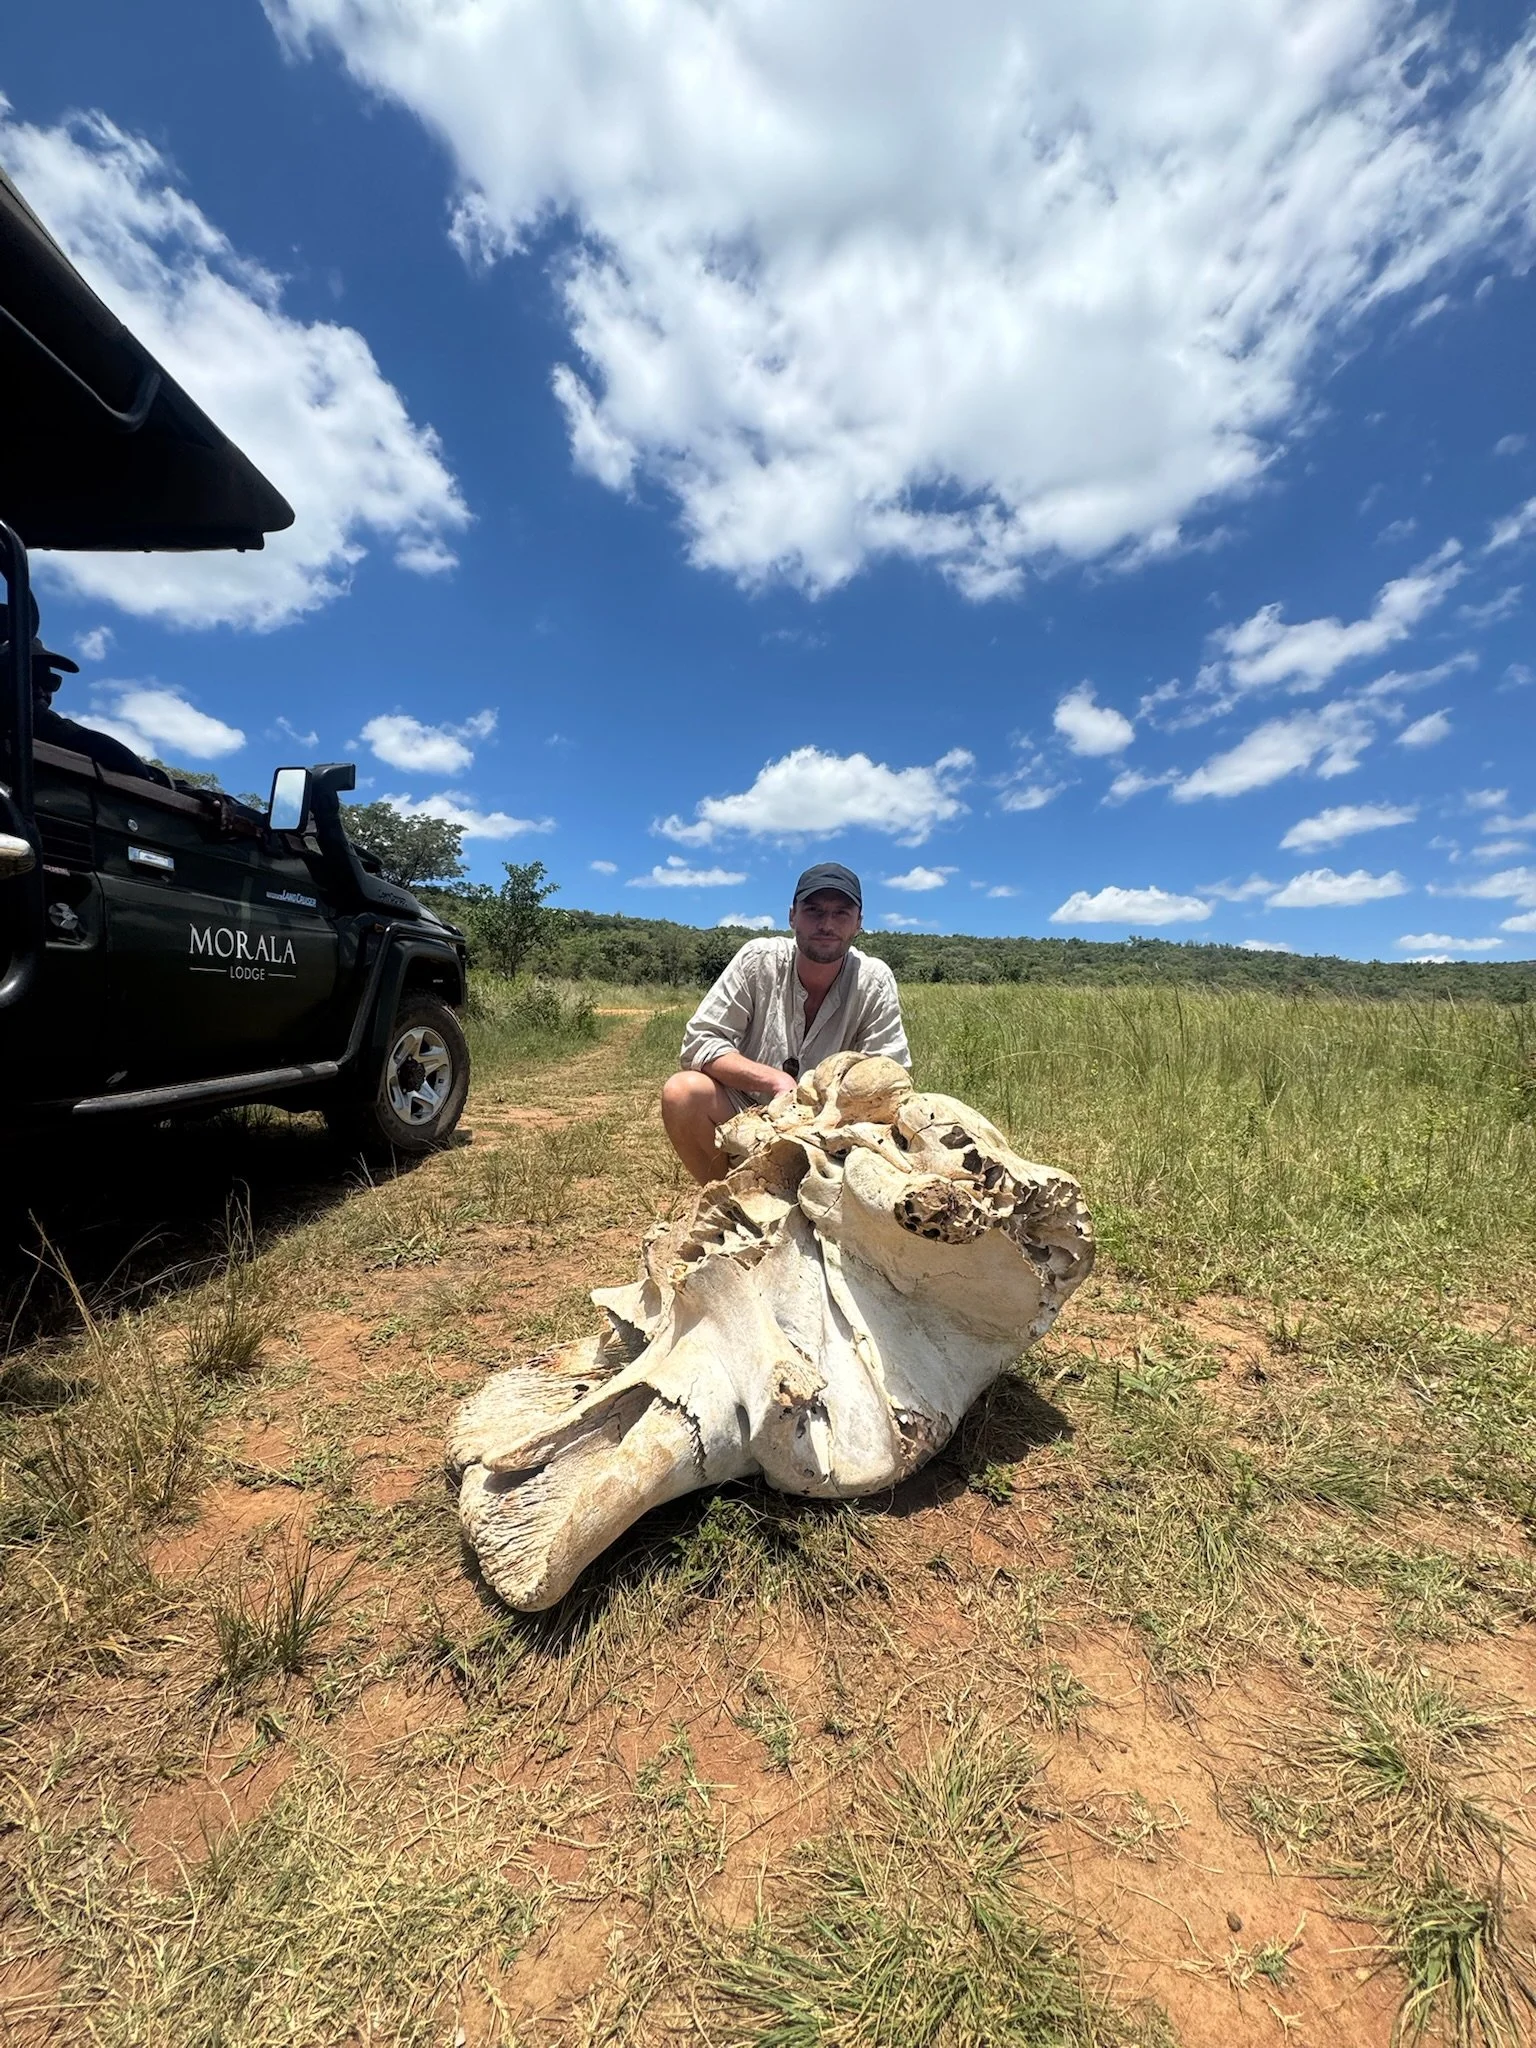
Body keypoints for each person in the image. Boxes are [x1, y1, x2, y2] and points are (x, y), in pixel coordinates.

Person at [662, 861, 910, 1182]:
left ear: (858, 923)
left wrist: (830, 1119)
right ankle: (728, 1200)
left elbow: (889, 1077)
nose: (826, 924)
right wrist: (776, 1082)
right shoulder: (758, 960)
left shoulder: (873, 980)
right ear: (792, 915)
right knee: (683, 1093)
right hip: (749, 1113)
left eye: (841, 913)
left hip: (831, 1125)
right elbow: (700, 1044)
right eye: (814, 911)